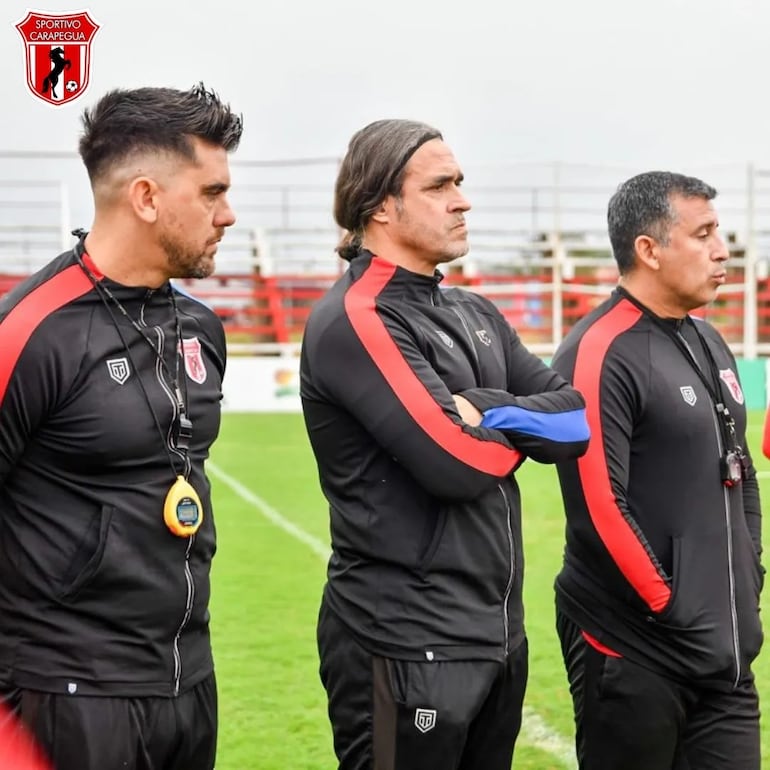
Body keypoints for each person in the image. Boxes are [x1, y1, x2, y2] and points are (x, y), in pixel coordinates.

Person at [299, 118, 590, 770]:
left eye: (460, 182)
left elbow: (576, 423)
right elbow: (458, 463)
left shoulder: (475, 314)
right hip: (403, 642)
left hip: (496, 638)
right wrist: (507, 427)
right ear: (379, 205)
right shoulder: (359, 316)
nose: (463, 199)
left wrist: (481, 409)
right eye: (440, 186)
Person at [0, 83, 242, 769]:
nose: (228, 215)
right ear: (146, 197)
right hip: (68, 694)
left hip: (188, 682)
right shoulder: (29, 332)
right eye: (211, 192)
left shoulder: (200, 327)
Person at [551, 171, 764, 770]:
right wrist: (670, 608)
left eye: (718, 231)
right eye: (703, 234)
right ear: (649, 249)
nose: (722, 249)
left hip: (724, 660)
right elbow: (598, 505)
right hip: (635, 649)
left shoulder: (709, 339)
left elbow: (740, 471)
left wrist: (747, 579)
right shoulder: (599, 350)